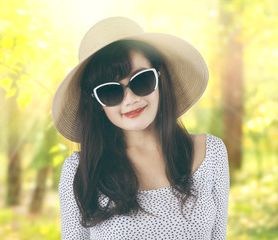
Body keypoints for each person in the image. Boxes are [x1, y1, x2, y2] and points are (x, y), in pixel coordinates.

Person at [52, 17, 229, 239]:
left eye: (141, 80)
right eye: (110, 91)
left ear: (160, 78)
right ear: (96, 102)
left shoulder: (211, 152)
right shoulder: (80, 170)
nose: (130, 99)